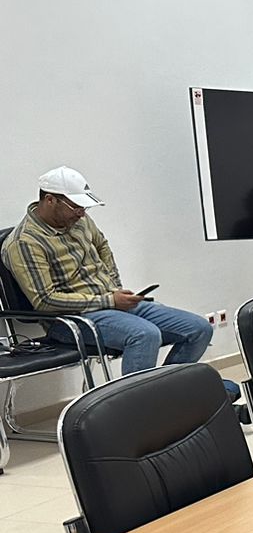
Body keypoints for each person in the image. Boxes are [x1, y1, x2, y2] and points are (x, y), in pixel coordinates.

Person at [5, 166, 228, 388]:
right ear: (50, 200)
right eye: (75, 207)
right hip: (71, 319)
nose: (81, 213)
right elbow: (45, 301)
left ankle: (168, 392)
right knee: (144, 335)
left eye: (83, 207)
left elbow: (102, 246)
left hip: (112, 303)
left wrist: (114, 287)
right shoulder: (25, 242)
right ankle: (138, 407)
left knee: (199, 328)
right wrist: (109, 301)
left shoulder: (78, 220)